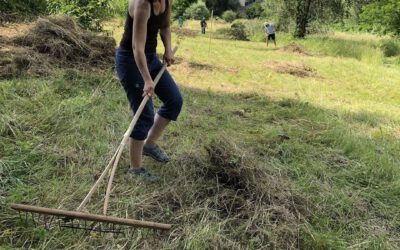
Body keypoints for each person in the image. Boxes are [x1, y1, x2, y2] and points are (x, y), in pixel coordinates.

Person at [115, 0, 183, 181]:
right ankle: (135, 170)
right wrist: (147, 79)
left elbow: (165, 26)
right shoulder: (142, 5)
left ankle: (149, 144)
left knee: (174, 101)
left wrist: (168, 49)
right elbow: (137, 47)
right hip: (130, 61)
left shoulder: (166, 2)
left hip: (151, 58)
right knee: (144, 114)